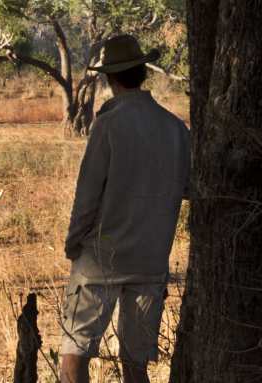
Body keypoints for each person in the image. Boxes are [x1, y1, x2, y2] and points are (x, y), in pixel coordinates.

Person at [60, 35, 190, 383]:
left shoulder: (108, 124)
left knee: (74, 356)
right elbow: (189, 187)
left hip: (101, 260)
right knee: (135, 366)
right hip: (150, 263)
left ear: (109, 78)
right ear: (142, 72)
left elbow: (87, 195)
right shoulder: (175, 128)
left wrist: (74, 243)